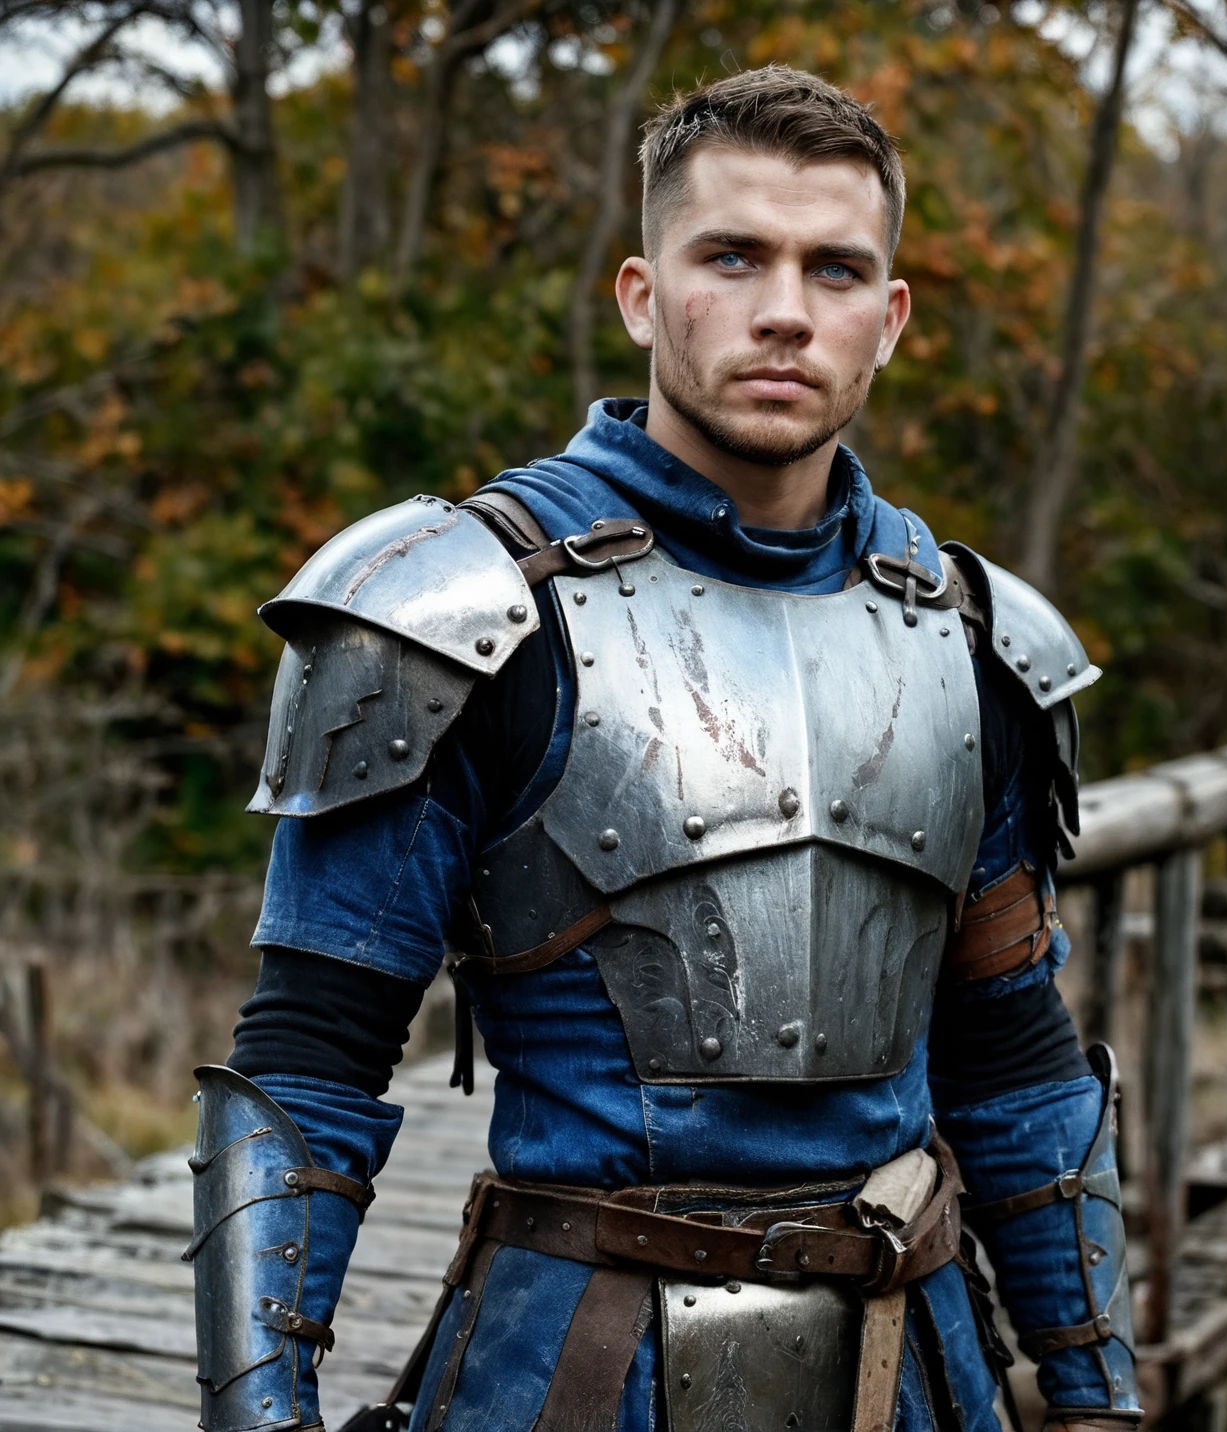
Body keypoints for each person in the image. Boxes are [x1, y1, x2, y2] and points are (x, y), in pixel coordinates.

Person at [186, 64, 1141, 1432]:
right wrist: (257, 1416)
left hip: (914, 1369)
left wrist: (1098, 1391)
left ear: (891, 318)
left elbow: (1015, 1057)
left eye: (836, 271)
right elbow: (310, 1058)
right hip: (577, 1372)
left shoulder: (973, 639)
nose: (785, 313)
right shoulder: (455, 614)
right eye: (734, 257)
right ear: (642, 293)